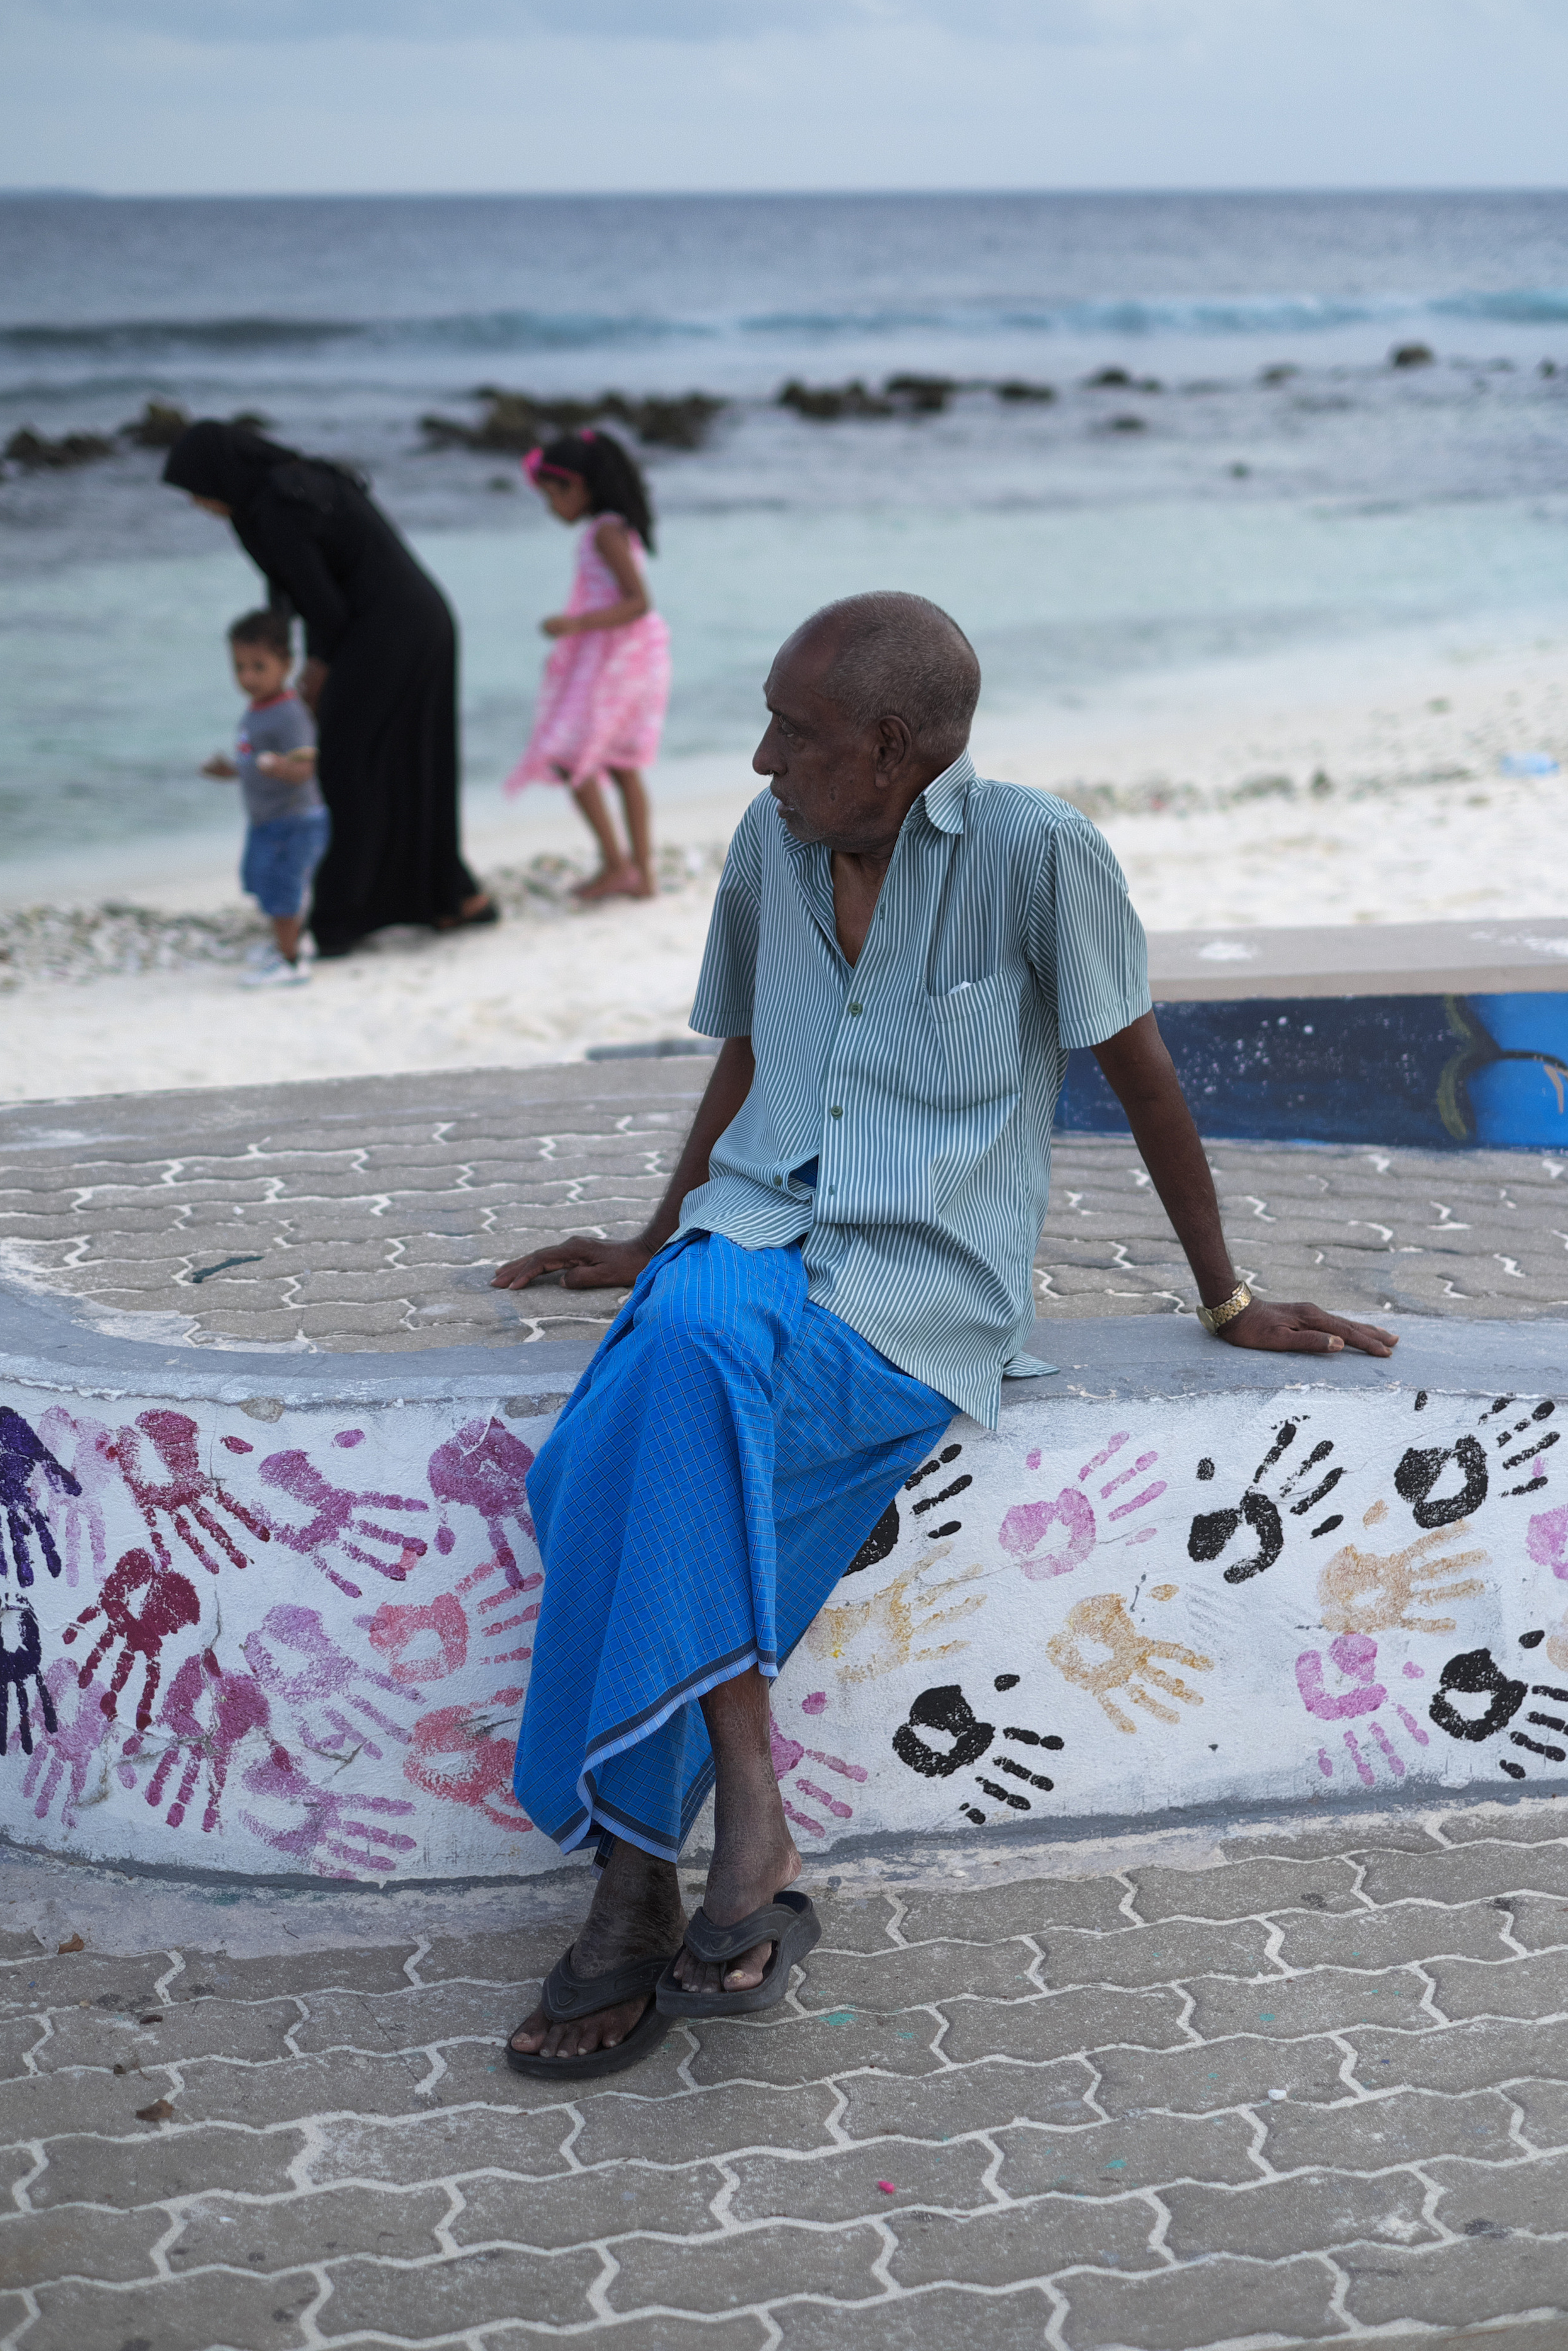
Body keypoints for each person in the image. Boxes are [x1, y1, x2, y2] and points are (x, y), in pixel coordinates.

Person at [491, 591, 1398, 2080]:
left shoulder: (1038, 856)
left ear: (893, 747)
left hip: (918, 1283)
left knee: (648, 1425)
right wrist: (654, 1236)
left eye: (796, 730)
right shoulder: (765, 847)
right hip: (751, 1226)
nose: (763, 758)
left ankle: (629, 1876)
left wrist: (1225, 1299)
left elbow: (1146, 1078)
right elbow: (746, 1050)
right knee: (676, 1354)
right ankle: (737, 1813)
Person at [163, 421, 494, 957]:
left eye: (195, 489)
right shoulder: (270, 495)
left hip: (391, 629)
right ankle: (456, 899)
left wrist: (316, 670)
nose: (196, 503)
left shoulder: (276, 504)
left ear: (217, 475)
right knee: (400, 764)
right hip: (413, 621)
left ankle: (341, 920)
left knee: (343, 766)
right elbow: (288, 591)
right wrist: (281, 656)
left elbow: (324, 606)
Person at [505, 429, 670, 902]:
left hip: (617, 662)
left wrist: (574, 624)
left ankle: (620, 866)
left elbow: (639, 602)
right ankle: (640, 874)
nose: (551, 509)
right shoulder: (616, 527)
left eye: (552, 496)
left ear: (577, 487)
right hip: (630, 659)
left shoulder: (603, 532)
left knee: (567, 757)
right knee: (622, 765)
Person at [199, 607, 327, 988]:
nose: (248, 677)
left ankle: (291, 962)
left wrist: (280, 768)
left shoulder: (289, 714)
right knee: (259, 881)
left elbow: (306, 766)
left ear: (286, 664)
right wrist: (232, 771)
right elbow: (256, 762)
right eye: (239, 667)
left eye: (259, 667)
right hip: (266, 820)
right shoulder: (257, 712)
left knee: (282, 890)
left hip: (296, 821)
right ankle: (290, 943)